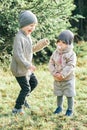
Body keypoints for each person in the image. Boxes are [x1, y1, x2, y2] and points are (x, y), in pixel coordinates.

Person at [11, 10, 49, 114]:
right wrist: (28, 65)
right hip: (19, 69)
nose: (32, 28)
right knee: (26, 88)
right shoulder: (19, 38)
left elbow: (30, 50)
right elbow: (18, 55)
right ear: (23, 24)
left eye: (34, 26)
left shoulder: (27, 36)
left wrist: (41, 44)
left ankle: (23, 100)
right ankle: (17, 108)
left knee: (34, 83)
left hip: (26, 68)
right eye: (30, 25)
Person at [48, 30, 76, 116]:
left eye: (63, 42)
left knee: (69, 94)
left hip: (68, 79)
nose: (60, 44)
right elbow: (51, 63)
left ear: (68, 43)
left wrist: (62, 74)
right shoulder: (55, 52)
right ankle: (59, 107)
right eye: (58, 41)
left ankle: (70, 109)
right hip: (57, 78)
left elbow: (70, 66)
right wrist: (54, 73)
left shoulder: (71, 54)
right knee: (58, 93)